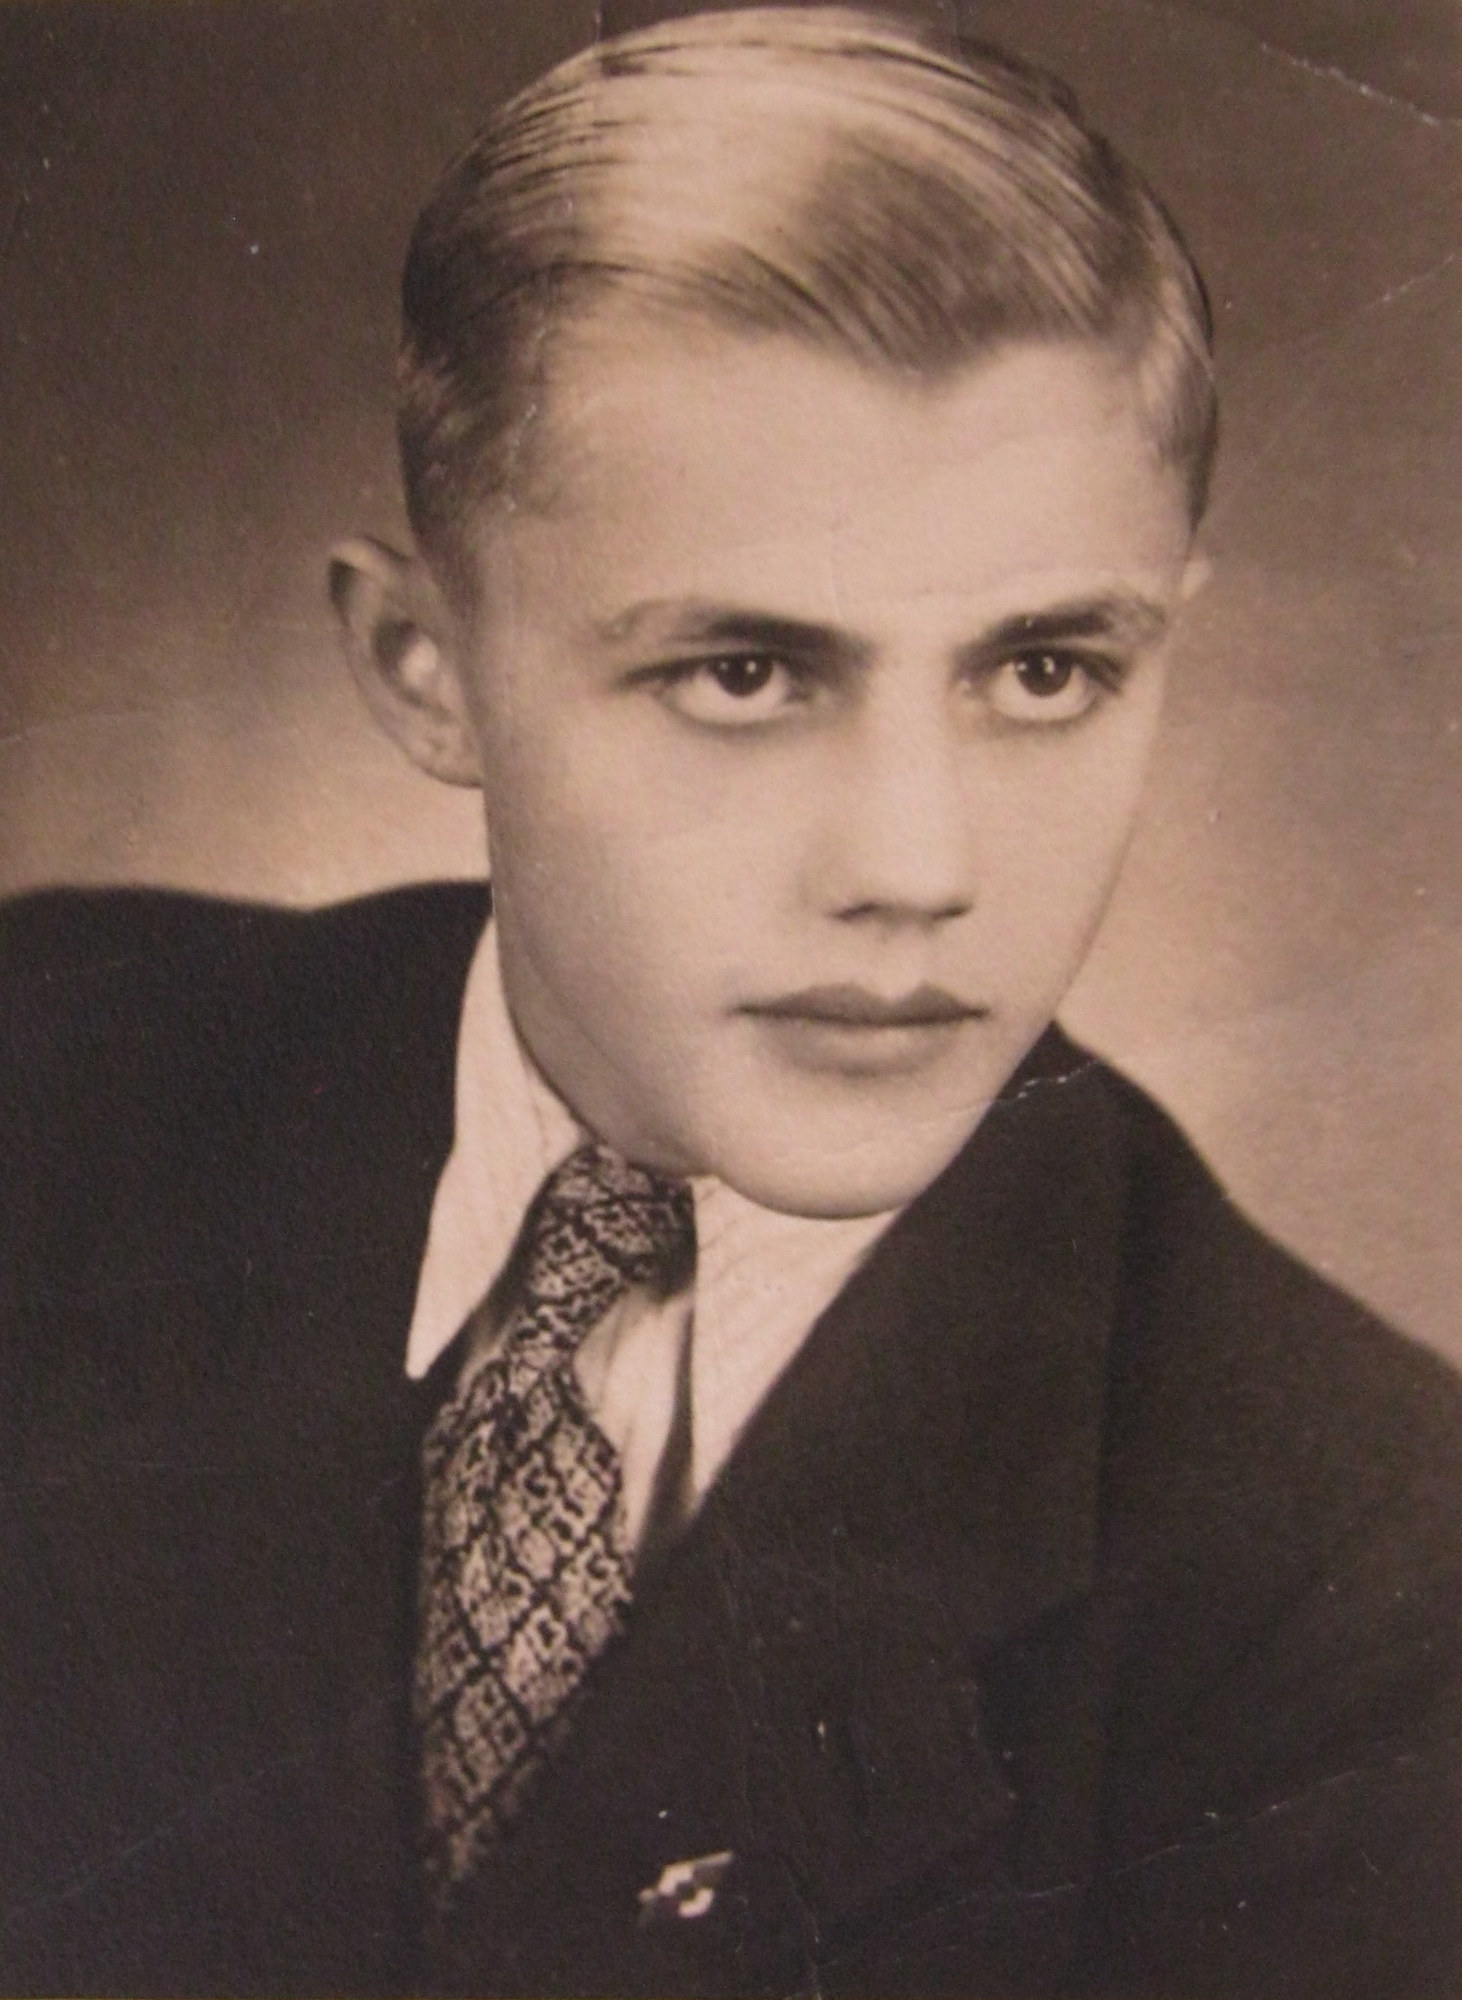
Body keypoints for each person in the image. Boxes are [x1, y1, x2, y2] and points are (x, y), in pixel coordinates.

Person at [2, 8, 1458, 1995]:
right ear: (423, 666)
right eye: (745, 674)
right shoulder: (54, 1076)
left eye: (1044, 670)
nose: (915, 865)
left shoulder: (1360, 1585)